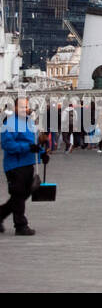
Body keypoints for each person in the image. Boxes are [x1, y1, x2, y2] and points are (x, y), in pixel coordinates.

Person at [0, 98, 46, 235]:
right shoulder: (10, 123)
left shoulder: (28, 122)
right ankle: (20, 225)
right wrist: (28, 147)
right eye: (21, 107)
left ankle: (1, 214)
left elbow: (33, 143)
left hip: (27, 163)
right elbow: (7, 145)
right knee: (19, 194)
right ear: (14, 108)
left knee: (21, 195)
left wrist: (42, 154)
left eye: (26, 107)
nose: (24, 109)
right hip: (14, 165)